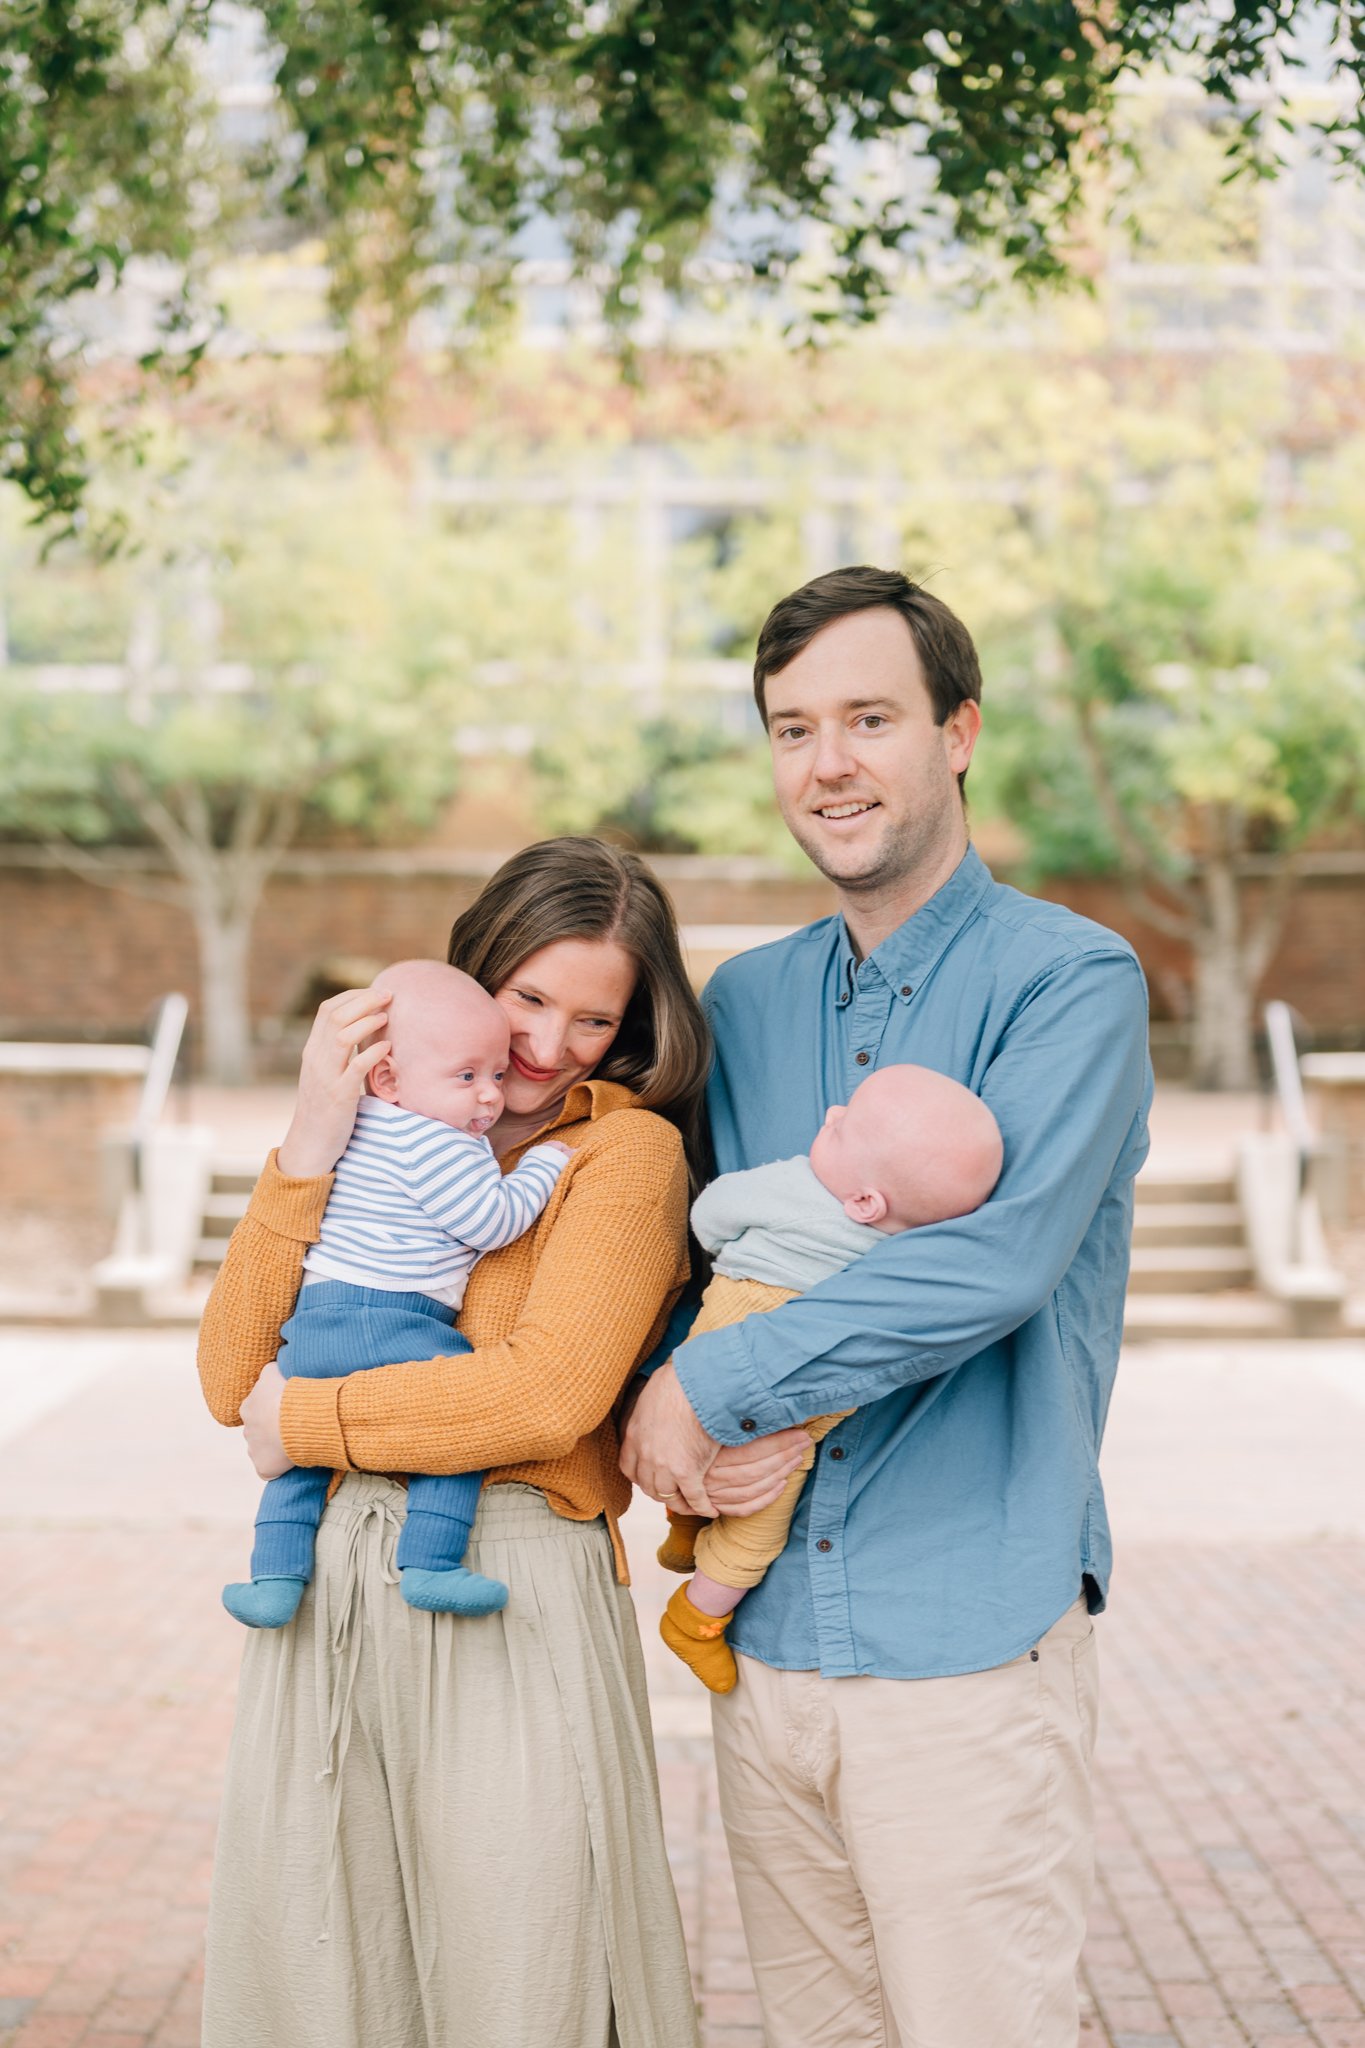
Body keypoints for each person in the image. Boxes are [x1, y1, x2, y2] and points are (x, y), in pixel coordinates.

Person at [622, 566, 1154, 2048]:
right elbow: (676, 1260)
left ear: (959, 731)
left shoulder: (1070, 982)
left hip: (965, 1641)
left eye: (868, 717)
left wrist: (708, 1393)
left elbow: (988, 1265)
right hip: (768, 1638)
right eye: (793, 729)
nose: (828, 763)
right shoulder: (747, 1005)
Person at [196, 837, 796, 2048]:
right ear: (477, 973)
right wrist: (312, 1133)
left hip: (510, 1576)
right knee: (322, 1956)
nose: (544, 1043)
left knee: (524, 1965)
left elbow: (545, 1396)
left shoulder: (621, 1153)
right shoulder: (368, 1133)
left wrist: (303, 1420)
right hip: (323, 1581)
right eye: (527, 996)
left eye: (591, 1018)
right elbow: (224, 1371)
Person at [221, 959, 572, 1629]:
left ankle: (271, 1580)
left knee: (295, 1468)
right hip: (397, 1319)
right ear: (387, 1078)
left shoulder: (357, 1127)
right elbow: (490, 1222)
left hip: (315, 1322)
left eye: (496, 1074)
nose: (489, 1097)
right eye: (466, 1077)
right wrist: (541, 1171)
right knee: (458, 1433)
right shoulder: (436, 1142)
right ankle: (431, 1563)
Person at [658, 1061, 1003, 1694]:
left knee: (726, 1476)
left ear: (866, 1201)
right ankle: (699, 1590)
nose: (830, 1116)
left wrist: (729, 1254)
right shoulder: (909, 1252)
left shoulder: (790, 1187)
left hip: (736, 1347)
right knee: (755, 1513)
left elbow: (711, 1214)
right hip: (782, 1393)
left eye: (844, 1130)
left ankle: (691, 1612)